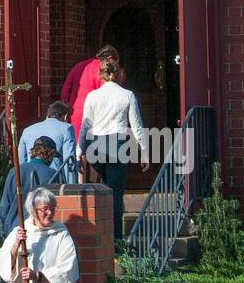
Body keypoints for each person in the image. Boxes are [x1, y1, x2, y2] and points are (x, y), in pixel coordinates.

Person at [79, 56, 148, 243]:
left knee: (102, 189)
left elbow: (85, 125)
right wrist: (144, 151)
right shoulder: (127, 95)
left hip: (95, 147)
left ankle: (99, 233)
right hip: (117, 145)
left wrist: (79, 151)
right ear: (118, 75)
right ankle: (115, 240)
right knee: (115, 194)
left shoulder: (93, 96)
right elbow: (137, 126)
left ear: (100, 75)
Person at [0, 137, 61, 240]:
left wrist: (4, 234)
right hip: (40, 233)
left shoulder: (15, 171)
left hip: (13, 230)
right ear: (49, 154)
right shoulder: (53, 175)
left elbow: (4, 208)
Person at [61, 43, 120, 145]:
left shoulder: (79, 66)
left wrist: (65, 110)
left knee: (76, 147)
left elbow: (66, 90)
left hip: (75, 113)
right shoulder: (104, 72)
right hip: (95, 116)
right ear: (110, 58)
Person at [18, 102, 77, 183]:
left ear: (47, 115)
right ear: (66, 116)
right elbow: (69, 162)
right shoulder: (67, 128)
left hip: (29, 180)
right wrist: (71, 188)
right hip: (54, 180)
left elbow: (21, 160)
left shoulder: (27, 130)